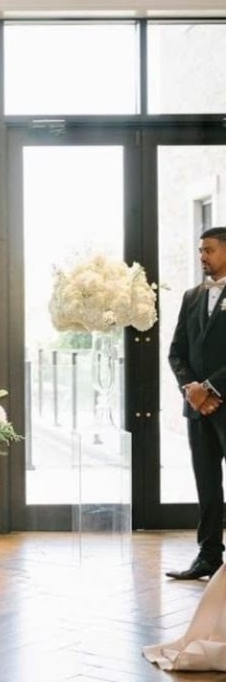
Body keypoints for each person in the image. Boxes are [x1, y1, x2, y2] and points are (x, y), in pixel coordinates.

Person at [165, 226, 226, 582]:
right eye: (200, 250)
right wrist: (191, 389)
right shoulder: (190, 296)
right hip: (197, 409)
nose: (202, 256)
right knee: (206, 484)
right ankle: (208, 557)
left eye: (209, 250)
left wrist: (211, 387)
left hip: (224, 403)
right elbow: (176, 351)